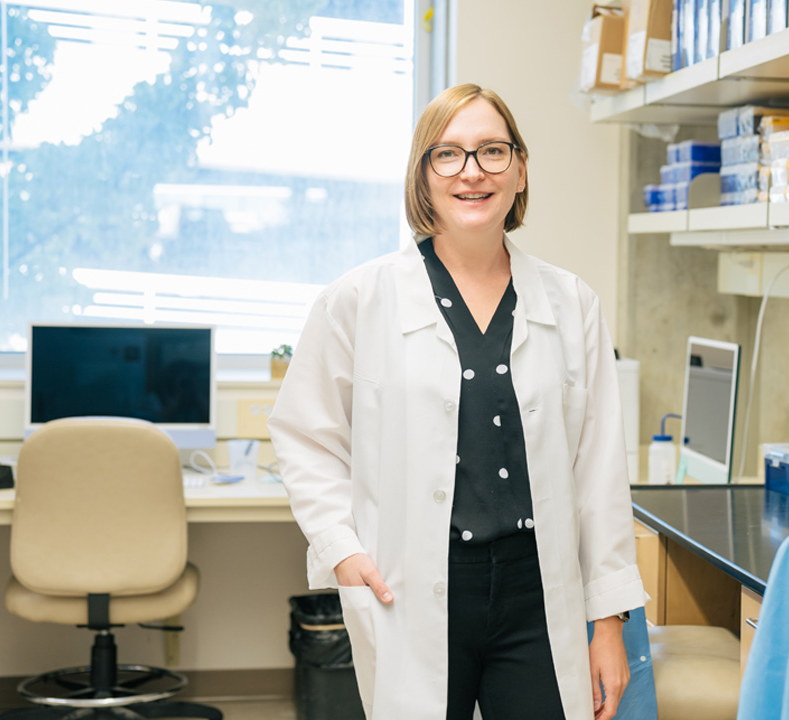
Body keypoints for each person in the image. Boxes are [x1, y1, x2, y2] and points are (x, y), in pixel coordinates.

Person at [268, 83, 645, 720]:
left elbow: (598, 470)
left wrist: (607, 618)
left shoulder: (570, 302)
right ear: (424, 176)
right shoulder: (358, 300)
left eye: (493, 151)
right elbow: (306, 435)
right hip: (414, 585)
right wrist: (342, 547)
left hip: (538, 589)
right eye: (449, 154)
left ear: (520, 170)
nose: (472, 172)